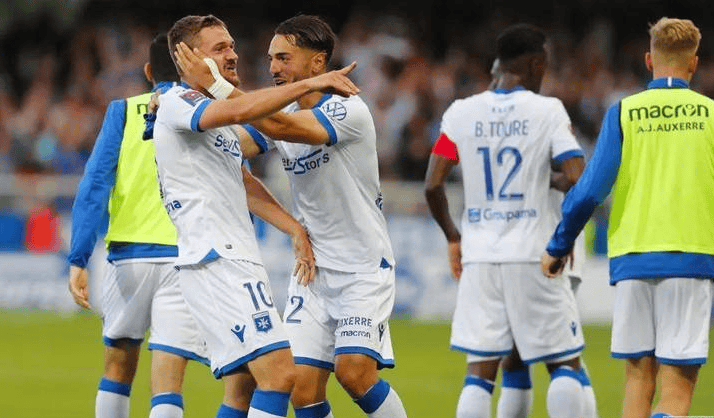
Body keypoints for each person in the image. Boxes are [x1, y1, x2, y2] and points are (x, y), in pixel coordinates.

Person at [174, 14, 408, 418]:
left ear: (317, 63)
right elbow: (229, 147)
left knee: (354, 374)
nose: (272, 67)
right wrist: (176, 102)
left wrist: (217, 86)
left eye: (283, 58)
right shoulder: (282, 112)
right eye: (270, 58)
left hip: (362, 269)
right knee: (301, 389)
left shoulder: (347, 110)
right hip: (312, 271)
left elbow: (280, 125)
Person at [542, 17, 714, 418]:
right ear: (693, 64)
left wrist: (559, 244)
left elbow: (590, 190)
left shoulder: (624, 112)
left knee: (638, 383)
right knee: (676, 394)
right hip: (690, 259)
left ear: (649, 61)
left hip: (632, 260)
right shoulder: (710, 115)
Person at [424, 24, 590, 418]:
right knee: (564, 363)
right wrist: (563, 236)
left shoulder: (461, 113)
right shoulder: (547, 111)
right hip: (534, 254)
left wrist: (453, 236)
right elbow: (579, 180)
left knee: (480, 373)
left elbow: (432, 184)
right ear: (535, 64)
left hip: (480, 257)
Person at [68, 34, 209, 418]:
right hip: (184, 257)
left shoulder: (124, 111)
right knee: (168, 382)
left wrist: (79, 257)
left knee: (116, 369)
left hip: (128, 258)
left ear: (148, 71)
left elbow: (94, 185)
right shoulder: (206, 112)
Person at [484, 58, 598, 418]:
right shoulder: (538, 121)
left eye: (496, 77)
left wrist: (539, 179)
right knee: (527, 355)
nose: (492, 85)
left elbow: (576, 178)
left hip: (550, 246)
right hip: (535, 246)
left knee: (553, 356)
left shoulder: (542, 122)